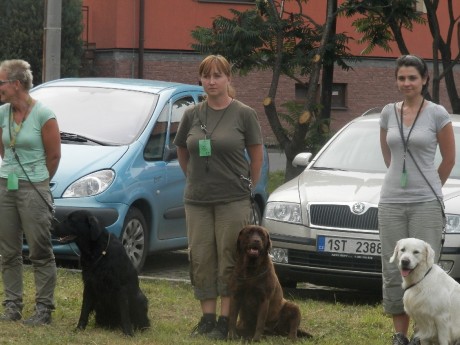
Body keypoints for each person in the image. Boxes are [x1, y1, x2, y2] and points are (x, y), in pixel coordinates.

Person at [174, 54, 263, 340]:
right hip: (197, 199)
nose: (211, 82)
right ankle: (207, 318)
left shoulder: (243, 113)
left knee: (228, 257)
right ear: (200, 79)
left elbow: (257, 154)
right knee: (200, 257)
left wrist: (250, 184)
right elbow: (182, 150)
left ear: (228, 78)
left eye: (217, 76)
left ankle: (226, 321)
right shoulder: (192, 113)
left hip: (232, 199)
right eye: (206, 76)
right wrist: (194, 178)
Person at [378, 54, 455, 345]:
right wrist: (399, 179)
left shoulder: (437, 113)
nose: (406, 83)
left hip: (426, 202)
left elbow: (449, 159)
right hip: (391, 201)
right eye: (401, 78)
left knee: (424, 271)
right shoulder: (388, 112)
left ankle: (426, 334)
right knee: (394, 267)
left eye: (412, 77)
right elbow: (389, 155)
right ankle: (400, 335)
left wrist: (430, 187)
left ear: (424, 80)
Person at [0, 59, 61, 325]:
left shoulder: (44, 115)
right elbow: (2, 150)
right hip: (6, 185)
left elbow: (54, 155)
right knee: (9, 250)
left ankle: (44, 309)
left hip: (34, 188)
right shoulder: (2, 112)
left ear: (16, 84)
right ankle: (12, 306)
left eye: (1, 82)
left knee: (39, 249)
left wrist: (39, 182)